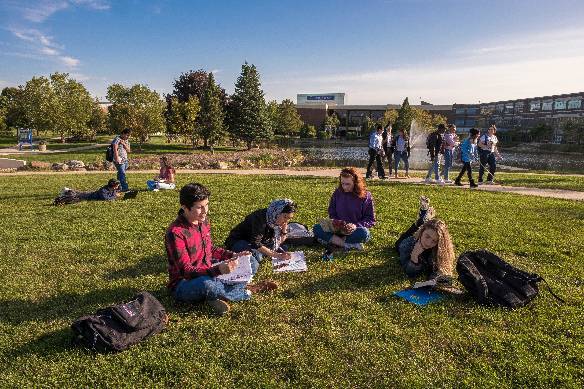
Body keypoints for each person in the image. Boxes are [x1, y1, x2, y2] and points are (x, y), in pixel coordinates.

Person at [165, 183, 276, 316]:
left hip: (208, 270)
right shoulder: (176, 232)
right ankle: (247, 290)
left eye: (206, 205)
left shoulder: (203, 221)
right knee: (207, 285)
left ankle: (213, 297)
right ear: (184, 207)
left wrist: (233, 255)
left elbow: (209, 249)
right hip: (184, 283)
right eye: (199, 207)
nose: (205, 211)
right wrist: (217, 270)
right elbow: (186, 271)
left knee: (250, 260)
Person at [312, 167, 376, 258]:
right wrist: (336, 222)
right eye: (342, 183)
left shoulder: (366, 196)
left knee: (364, 233)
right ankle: (347, 245)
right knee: (316, 228)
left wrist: (355, 226)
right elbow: (332, 212)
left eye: (348, 184)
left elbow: (370, 219)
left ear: (356, 183)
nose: (344, 187)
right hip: (338, 229)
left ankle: (332, 241)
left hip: (355, 230)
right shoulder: (337, 193)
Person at [224, 199, 297, 275]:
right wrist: (277, 255)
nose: (286, 221)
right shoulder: (259, 219)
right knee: (256, 261)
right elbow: (256, 243)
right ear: (277, 212)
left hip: (261, 242)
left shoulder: (274, 220)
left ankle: (260, 253)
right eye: (285, 217)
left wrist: (284, 230)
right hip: (240, 240)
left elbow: (280, 240)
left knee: (281, 248)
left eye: (289, 218)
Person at [394, 196, 455, 280]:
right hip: (407, 241)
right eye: (427, 236)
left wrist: (439, 276)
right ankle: (419, 223)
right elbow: (409, 272)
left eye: (434, 241)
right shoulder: (407, 245)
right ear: (422, 232)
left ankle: (422, 221)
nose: (428, 243)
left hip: (423, 231)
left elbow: (443, 270)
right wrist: (414, 256)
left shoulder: (441, 248)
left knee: (427, 230)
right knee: (398, 244)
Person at [54, 179, 121, 205]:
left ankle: (67, 192)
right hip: (88, 195)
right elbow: (105, 198)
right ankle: (67, 191)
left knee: (77, 197)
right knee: (77, 195)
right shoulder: (103, 190)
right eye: (116, 186)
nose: (117, 187)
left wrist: (115, 193)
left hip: (89, 195)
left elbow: (115, 192)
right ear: (113, 186)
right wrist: (115, 196)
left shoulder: (112, 189)